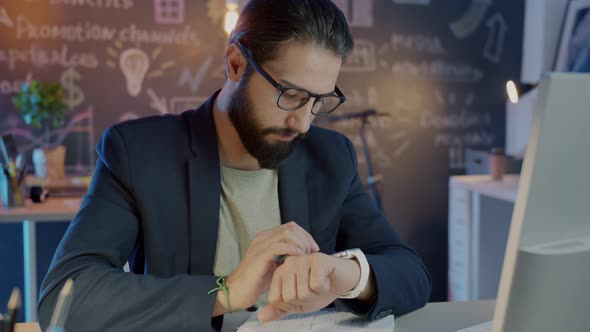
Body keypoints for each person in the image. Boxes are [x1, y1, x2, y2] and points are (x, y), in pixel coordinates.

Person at [38, 0, 431, 330]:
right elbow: (67, 294)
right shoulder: (139, 152)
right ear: (236, 64)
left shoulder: (331, 156)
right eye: (292, 95)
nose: (304, 122)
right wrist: (225, 291)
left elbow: (410, 272)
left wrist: (343, 276)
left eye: (319, 101)